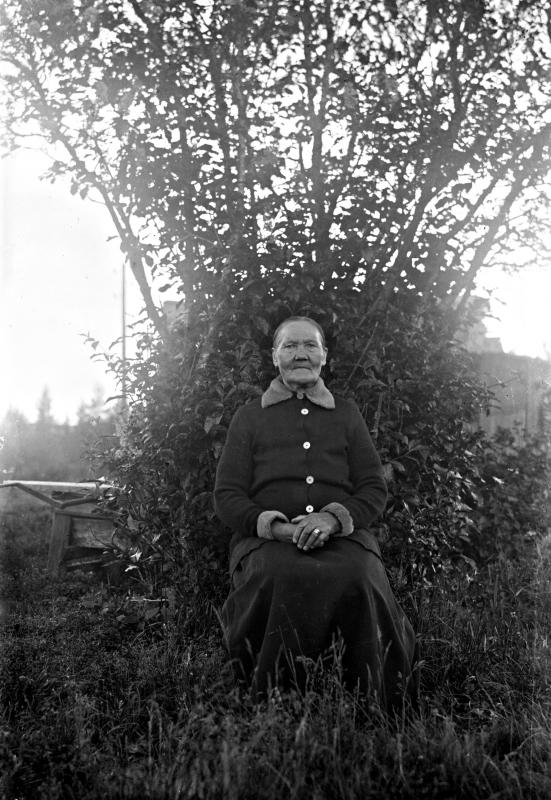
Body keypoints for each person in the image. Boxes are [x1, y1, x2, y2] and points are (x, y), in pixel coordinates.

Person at [214, 316, 417, 708]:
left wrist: (331, 519)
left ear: (325, 356)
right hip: (267, 542)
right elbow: (227, 495)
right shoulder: (249, 417)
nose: (300, 354)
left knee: (359, 574)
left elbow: (373, 487)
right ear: (275, 357)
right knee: (281, 575)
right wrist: (277, 528)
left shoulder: (346, 414)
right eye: (290, 346)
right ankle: (273, 705)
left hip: (343, 538)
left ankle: (371, 704)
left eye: (310, 345)